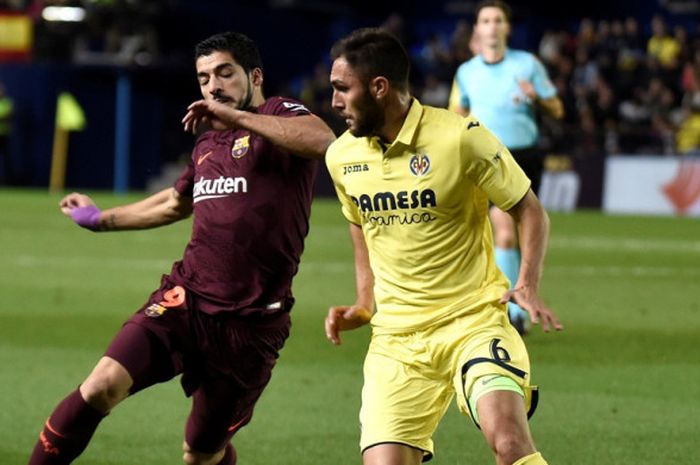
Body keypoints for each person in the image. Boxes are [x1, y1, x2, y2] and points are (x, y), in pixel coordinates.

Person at [28, 31, 335, 465]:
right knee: (101, 386)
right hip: (185, 301)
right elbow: (175, 202)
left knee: (201, 452)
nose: (213, 86)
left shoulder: (278, 113)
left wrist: (237, 119)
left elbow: (322, 141)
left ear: (255, 75)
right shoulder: (207, 142)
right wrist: (101, 220)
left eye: (225, 73)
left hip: (251, 327)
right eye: (204, 77)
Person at [324, 27, 562, 465]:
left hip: (472, 324)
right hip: (396, 341)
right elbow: (360, 226)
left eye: (342, 89)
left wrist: (526, 283)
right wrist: (364, 302)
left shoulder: (460, 137)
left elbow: (529, 210)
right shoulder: (341, 157)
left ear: (378, 88)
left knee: (509, 443)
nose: (335, 101)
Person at [448, 0, 564, 334]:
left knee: (512, 231)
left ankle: (512, 303)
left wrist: (537, 97)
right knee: (502, 231)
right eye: (486, 20)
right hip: (486, 157)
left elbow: (556, 108)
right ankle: (513, 311)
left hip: (524, 156)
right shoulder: (467, 72)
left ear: (507, 28)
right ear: (478, 29)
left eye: (498, 20)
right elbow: (455, 112)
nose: (493, 26)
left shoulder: (527, 65)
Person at [0, 82, 14, 185]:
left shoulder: (7, 103)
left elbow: (6, 116)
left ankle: (7, 181)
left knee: (6, 160)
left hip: (4, 135)